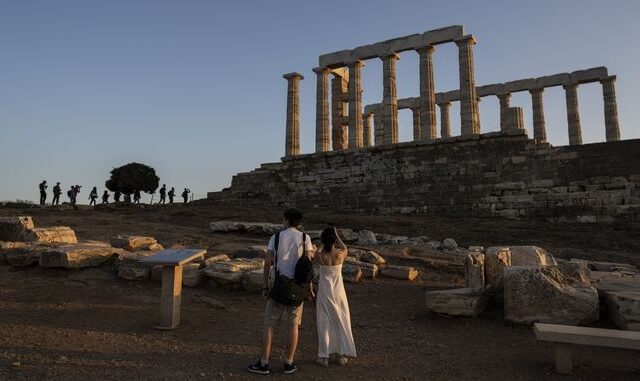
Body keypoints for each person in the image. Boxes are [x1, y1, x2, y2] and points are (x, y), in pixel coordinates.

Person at [248, 208, 315, 376]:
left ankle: (263, 363)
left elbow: (267, 262)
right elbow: (308, 266)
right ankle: (289, 363)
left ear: (285, 220)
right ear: (299, 223)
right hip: (298, 288)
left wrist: (265, 286)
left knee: (269, 325)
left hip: (279, 287)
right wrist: (310, 289)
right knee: (293, 326)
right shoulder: (305, 238)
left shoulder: (275, 237)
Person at [315, 225, 357, 367]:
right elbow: (345, 247)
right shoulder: (341, 253)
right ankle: (339, 355)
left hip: (324, 292)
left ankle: (324, 356)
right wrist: (337, 235)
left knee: (324, 323)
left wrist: (323, 243)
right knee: (341, 320)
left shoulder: (320, 255)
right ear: (334, 240)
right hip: (339, 292)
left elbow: (317, 251)